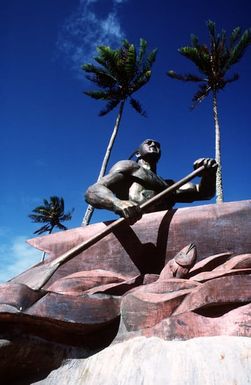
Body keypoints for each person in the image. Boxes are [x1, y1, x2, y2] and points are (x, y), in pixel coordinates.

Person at [85, 139, 217, 224]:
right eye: (149, 143)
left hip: (166, 232)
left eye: (157, 145)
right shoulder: (128, 166)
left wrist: (209, 175)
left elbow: (204, 193)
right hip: (135, 227)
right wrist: (117, 203)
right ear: (137, 153)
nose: (154, 145)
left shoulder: (170, 186)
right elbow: (92, 191)